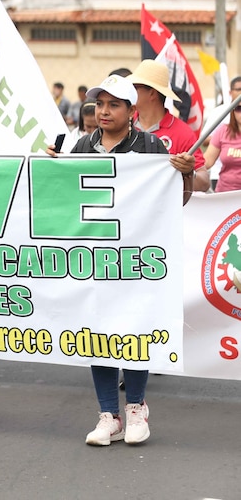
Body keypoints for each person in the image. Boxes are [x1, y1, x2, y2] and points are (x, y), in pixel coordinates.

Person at [54, 75, 194, 445]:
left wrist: (187, 173)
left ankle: (135, 408)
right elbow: (65, 204)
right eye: (100, 104)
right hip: (93, 260)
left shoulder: (151, 147)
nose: (104, 111)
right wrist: (51, 173)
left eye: (114, 105)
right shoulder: (82, 146)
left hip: (136, 262)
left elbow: (176, 201)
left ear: (132, 112)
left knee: (134, 331)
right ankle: (107, 414)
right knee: (96, 332)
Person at [128, 59, 210, 192]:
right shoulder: (123, 126)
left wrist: (188, 173)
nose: (129, 91)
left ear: (152, 93)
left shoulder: (182, 132)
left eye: (135, 87)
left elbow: (204, 182)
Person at [203, 89, 241, 192]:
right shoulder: (223, 131)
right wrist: (187, 164)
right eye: (238, 108)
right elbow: (206, 161)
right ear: (233, 111)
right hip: (225, 196)